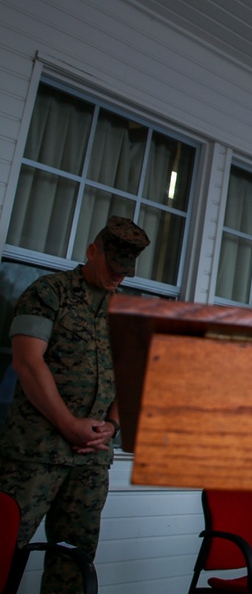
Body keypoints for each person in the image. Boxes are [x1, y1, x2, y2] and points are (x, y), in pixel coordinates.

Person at [0, 215, 150, 593]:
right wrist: (68, 424)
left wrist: (113, 427)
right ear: (91, 251)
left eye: (126, 271)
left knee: (73, 561)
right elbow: (27, 362)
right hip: (35, 453)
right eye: (113, 267)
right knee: (3, 551)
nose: (119, 277)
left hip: (90, 460)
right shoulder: (49, 292)